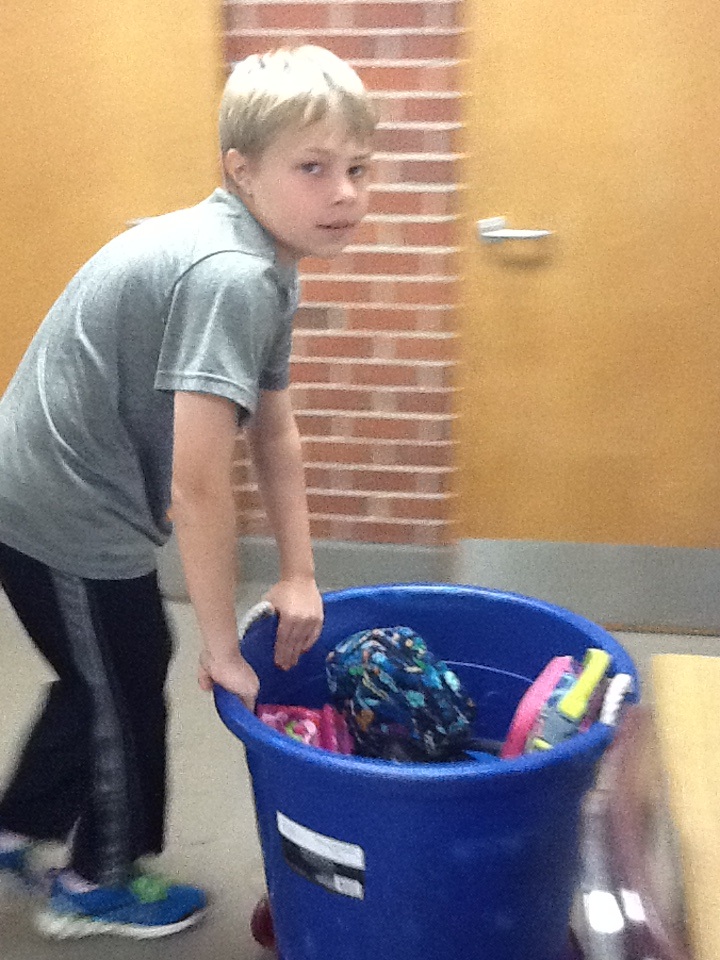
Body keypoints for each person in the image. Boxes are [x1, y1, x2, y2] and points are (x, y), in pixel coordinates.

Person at [0, 45, 376, 939]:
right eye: (313, 168)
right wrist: (222, 646)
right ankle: (93, 882)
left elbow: (275, 433)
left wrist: (299, 572)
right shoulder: (232, 274)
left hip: (53, 485)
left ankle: (17, 825)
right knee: (127, 684)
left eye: (360, 167)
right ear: (240, 171)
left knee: (101, 671)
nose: (345, 193)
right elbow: (199, 483)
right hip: (56, 505)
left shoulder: (264, 260)